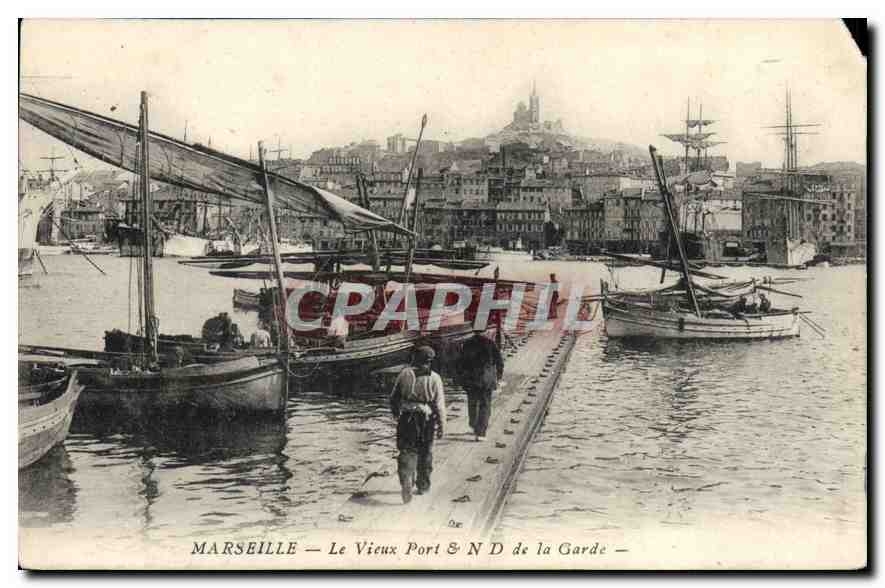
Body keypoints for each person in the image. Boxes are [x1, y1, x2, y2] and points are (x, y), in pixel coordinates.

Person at [389, 346, 446, 504]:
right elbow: (440, 405)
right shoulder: (435, 378)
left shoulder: (405, 374)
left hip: (407, 417)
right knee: (425, 451)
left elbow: (394, 397)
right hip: (426, 418)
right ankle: (423, 485)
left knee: (407, 450)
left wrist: (395, 413)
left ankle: (407, 478)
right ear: (430, 361)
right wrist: (442, 426)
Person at [457, 328, 504, 442]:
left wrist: (461, 378)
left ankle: (474, 425)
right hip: (486, 379)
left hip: (471, 379)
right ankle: (481, 432)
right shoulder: (490, 343)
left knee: (472, 402)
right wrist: (498, 376)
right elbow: (500, 362)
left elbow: (460, 363)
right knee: (485, 404)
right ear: (485, 331)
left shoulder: (467, 344)